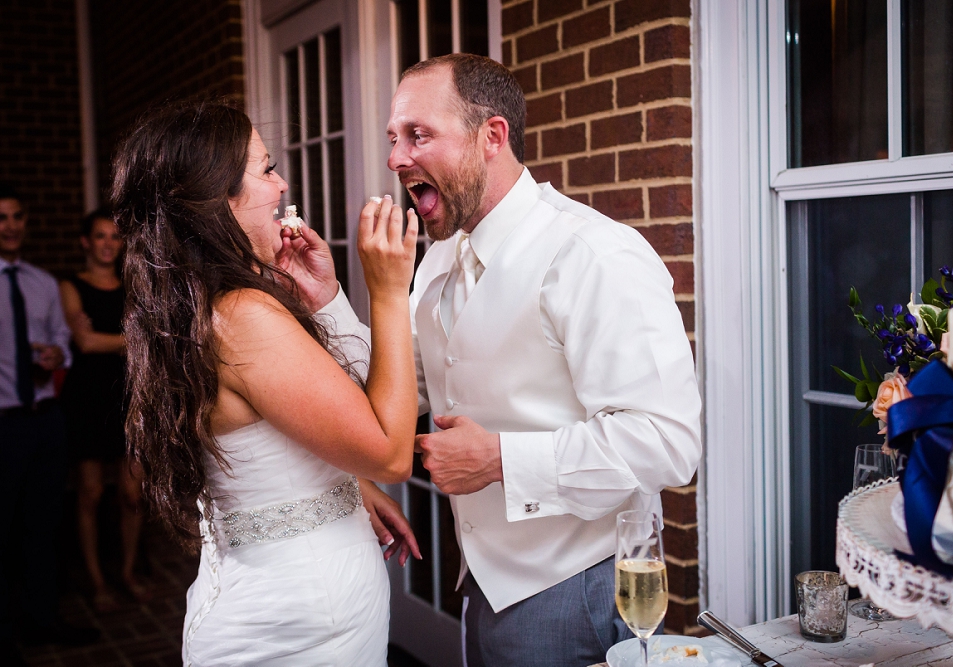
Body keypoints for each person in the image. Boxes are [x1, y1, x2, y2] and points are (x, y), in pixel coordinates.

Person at [381, 54, 700, 665]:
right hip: (481, 585)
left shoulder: (594, 254)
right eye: (394, 139)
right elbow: (411, 382)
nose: (397, 158)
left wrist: (500, 459)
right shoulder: (439, 262)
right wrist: (330, 302)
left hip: (575, 589)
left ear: (491, 137)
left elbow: (667, 440)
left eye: (418, 135)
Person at [111, 101, 422, 666]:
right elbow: (391, 452)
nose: (281, 184)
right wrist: (388, 292)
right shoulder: (242, 315)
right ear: (218, 200)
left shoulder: (201, 305)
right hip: (297, 627)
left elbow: (293, 439)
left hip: (299, 603)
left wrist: (326, 300)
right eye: (265, 168)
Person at [0, 184, 98, 666]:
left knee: (43, 527)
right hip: (1, 424)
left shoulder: (41, 282)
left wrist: (56, 352)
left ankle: (43, 622)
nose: (11, 226)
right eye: (2, 217)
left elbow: (61, 339)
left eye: (18, 216)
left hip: (43, 421)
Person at [59, 207, 148, 612]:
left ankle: (127, 572)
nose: (108, 243)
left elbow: (105, 337)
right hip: (87, 398)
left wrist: (109, 336)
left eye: (114, 236)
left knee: (131, 493)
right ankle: (96, 580)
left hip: (128, 396)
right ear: (85, 242)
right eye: (99, 236)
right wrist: (133, 339)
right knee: (91, 493)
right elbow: (86, 343)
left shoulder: (132, 286)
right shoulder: (69, 286)